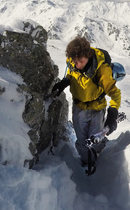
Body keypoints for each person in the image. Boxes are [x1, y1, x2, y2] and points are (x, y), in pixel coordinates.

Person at [52, 36, 122, 166]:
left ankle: (97, 161)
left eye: (80, 61)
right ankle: (86, 162)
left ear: (88, 56)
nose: (76, 65)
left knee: (95, 141)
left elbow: (115, 94)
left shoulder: (102, 70)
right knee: (82, 141)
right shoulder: (73, 60)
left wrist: (113, 113)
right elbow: (71, 74)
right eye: (74, 61)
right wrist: (65, 82)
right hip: (79, 108)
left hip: (97, 109)